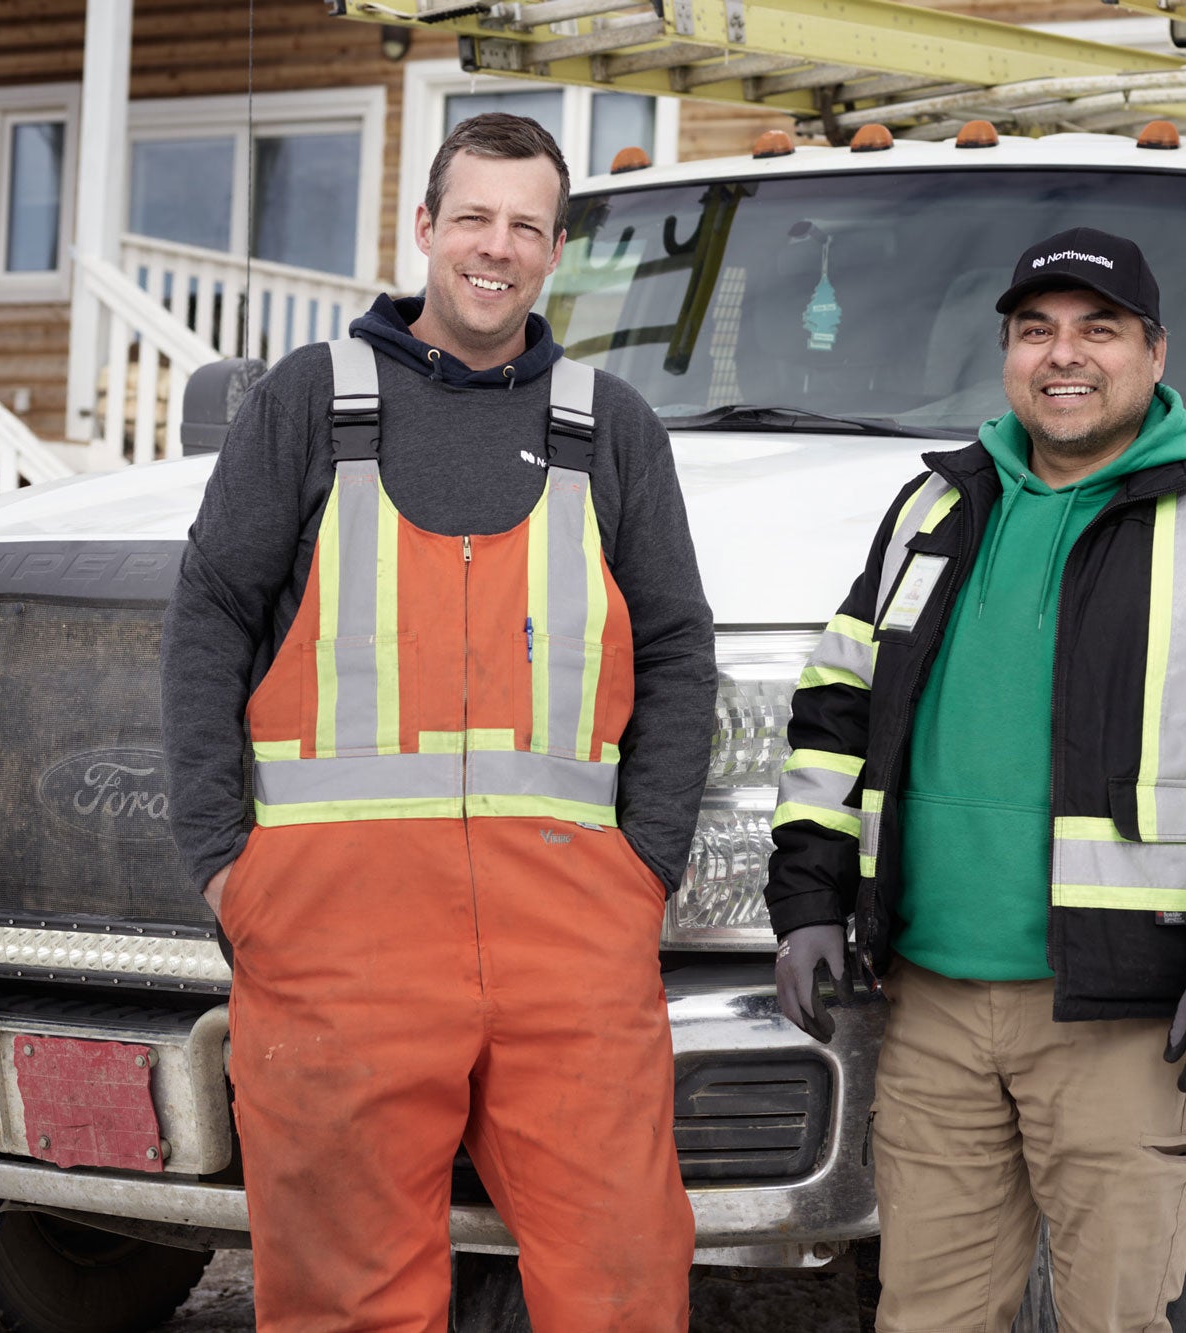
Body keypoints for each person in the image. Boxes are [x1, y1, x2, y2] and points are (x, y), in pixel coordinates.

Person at [161, 113, 714, 1332]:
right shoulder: (309, 402)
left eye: (525, 226)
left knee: (624, 1280)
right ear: (423, 228)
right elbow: (208, 616)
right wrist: (223, 865)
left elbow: (676, 647)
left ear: (554, 250)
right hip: (334, 945)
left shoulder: (608, 425)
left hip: (570, 946)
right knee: (344, 1300)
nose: (495, 248)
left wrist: (647, 865)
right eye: (472, 217)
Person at [764, 227, 1186, 1332]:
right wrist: (805, 900)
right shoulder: (930, 509)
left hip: (1117, 1021)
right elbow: (833, 714)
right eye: (1036, 330)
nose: (1062, 355)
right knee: (926, 1317)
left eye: (1097, 330)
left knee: (1113, 1319)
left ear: (1152, 351)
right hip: (930, 1005)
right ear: (1006, 354)